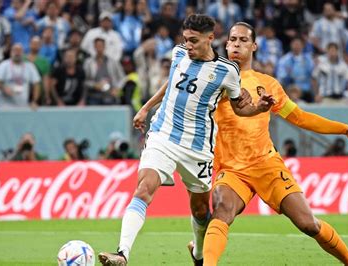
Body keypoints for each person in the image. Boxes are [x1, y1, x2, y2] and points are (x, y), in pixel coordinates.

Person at [98, 14, 274, 266]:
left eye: (194, 41)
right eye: (185, 40)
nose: (188, 45)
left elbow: (239, 107)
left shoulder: (227, 70)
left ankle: (199, 255)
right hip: (163, 136)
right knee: (144, 189)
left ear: (210, 39)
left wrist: (258, 108)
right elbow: (173, 82)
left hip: (198, 146)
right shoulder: (179, 53)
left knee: (201, 210)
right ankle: (122, 253)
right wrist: (146, 108)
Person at [201, 22, 348, 266]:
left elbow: (300, 118)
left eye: (243, 40)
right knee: (222, 211)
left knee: (308, 224)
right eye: (232, 40)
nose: (236, 44)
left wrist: (345, 130)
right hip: (232, 169)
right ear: (226, 44)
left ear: (254, 46)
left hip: (267, 165)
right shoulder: (214, 79)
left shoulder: (269, 84)